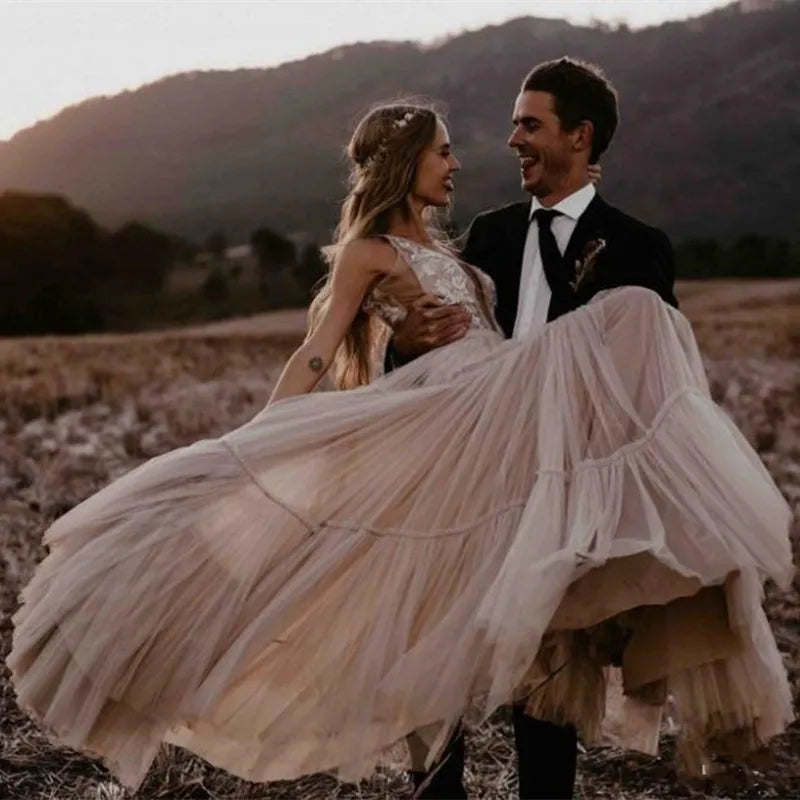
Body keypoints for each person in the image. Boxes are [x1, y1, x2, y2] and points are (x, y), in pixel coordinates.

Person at [9, 89, 793, 800]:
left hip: (531, 448)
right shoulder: (436, 242)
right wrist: (267, 434)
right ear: (405, 159)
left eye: (528, 124)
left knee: (545, 630)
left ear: (580, 136)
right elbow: (322, 349)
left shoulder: (529, 246)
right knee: (432, 615)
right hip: (461, 434)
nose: (468, 159)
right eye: (445, 150)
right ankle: (435, 783)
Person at [389, 57, 679, 799]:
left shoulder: (639, 247)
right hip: (469, 480)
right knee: (433, 657)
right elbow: (437, 351)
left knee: (549, 681)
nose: (512, 138)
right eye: (515, 122)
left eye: (530, 124)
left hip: (564, 485)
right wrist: (404, 345)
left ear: (579, 137)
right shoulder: (486, 234)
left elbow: (642, 382)